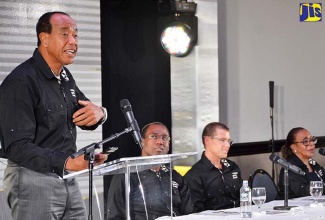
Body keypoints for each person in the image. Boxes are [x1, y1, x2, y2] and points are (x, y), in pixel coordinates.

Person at [0, 12, 108, 220]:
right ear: (45, 38)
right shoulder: (20, 82)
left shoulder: (65, 78)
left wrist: (101, 113)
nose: (73, 42)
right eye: (65, 34)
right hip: (32, 178)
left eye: (76, 36)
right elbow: (17, 147)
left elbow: (85, 114)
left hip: (66, 176)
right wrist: (67, 162)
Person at [106, 122, 194, 220]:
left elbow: (188, 214)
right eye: (154, 136)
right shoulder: (126, 174)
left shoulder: (175, 176)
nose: (160, 142)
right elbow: (114, 216)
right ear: (142, 141)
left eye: (164, 138)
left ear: (169, 144)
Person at [184, 122, 242, 211]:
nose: (227, 145)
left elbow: (244, 198)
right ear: (207, 140)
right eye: (222, 140)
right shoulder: (194, 176)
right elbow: (196, 213)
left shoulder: (232, 167)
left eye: (228, 141)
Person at [278, 127, 325, 199]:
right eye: (305, 141)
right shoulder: (290, 167)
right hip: (293, 208)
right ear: (294, 147)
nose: (312, 144)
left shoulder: (313, 164)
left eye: (312, 140)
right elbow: (304, 191)